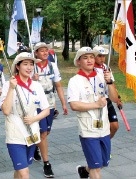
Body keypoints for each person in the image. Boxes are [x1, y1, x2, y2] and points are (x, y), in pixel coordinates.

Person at [67, 47, 119, 179]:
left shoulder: (104, 75)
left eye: (91, 57)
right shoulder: (75, 81)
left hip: (104, 127)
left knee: (102, 162)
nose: (89, 60)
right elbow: (74, 105)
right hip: (88, 129)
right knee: (96, 168)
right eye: (85, 58)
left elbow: (114, 98)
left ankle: (84, 170)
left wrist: (110, 82)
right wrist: (95, 105)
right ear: (78, 62)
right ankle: (90, 170)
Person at [0, 52, 50, 179]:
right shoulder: (8, 85)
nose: (29, 68)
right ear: (17, 66)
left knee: (21, 170)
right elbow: (5, 111)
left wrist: (34, 118)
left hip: (31, 134)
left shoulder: (36, 86)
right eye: (25, 64)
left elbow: (46, 110)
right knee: (24, 173)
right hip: (15, 134)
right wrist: (11, 88)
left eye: (31, 64)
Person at [32, 42, 68, 178]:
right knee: (43, 133)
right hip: (37, 105)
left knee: (46, 133)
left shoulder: (53, 66)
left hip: (50, 103)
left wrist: (63, 103)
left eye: (46, 50)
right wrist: (32, 79)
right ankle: (47, 164)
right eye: (41, 51)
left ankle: (36, 147)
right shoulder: (32, 67)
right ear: (36, 53)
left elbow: (58, 86)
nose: (45, 53)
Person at [93, 46, 121, 139]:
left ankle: (106, 144)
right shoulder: (90, 68)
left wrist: (118, 98)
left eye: (104, 56)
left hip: (107, 100)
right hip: (96, 102)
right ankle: (99, 147)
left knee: (114, 126)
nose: (102, 58)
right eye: (99, 56)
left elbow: (112, 83)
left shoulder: (106, 67)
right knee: (98, 128)